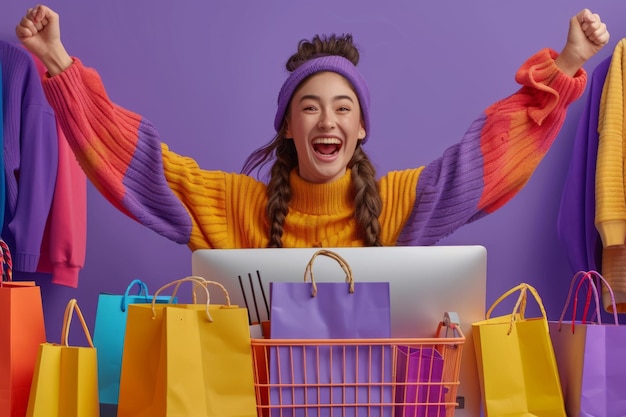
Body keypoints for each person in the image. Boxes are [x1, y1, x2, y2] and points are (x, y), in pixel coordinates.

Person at [15, 5, 609, 251]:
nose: (329, 120)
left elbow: (489, 159)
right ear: (288, 130)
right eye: (311, 107)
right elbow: (138, 166)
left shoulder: (405, 201)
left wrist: (565, 66)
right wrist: (59, 63)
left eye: (344, 107)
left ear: (362, 130)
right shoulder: (234, 206)